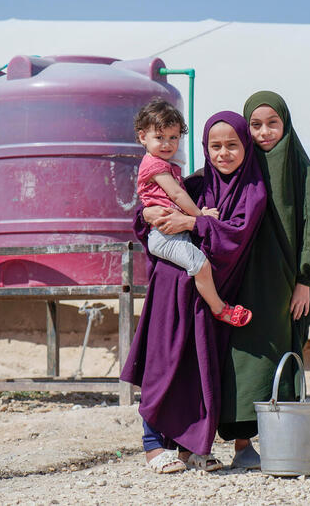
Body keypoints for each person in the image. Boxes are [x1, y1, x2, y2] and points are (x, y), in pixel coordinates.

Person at [121, 111, 267, 474]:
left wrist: (195, 222)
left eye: (232, 145)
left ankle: (189, 447)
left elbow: (235, 235)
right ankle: (154, 446)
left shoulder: (253, 191)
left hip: (205, 295)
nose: (223, 154)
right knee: (164, 361)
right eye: (215, 146)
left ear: (246, 147)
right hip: (171, 288)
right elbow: (149, 213)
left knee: (196, 369)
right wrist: (151, 214)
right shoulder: (198, 184)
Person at [217, 90, 310, 470]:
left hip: (281, 286)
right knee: (237, 357)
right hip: (239, 279)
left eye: (272, 123)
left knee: (274, 355)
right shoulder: (240, 164)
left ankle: (277, 440)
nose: (265, 132)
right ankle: (241, 443)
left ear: (286, 124)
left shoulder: (301, 169)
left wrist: (304, 281)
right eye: (256, 125)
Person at [133, 98, 252, 327]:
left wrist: (191, 218)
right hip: (166, 240)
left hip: (171, 241)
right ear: (142, 137)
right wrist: (200, 216)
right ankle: (220, 308)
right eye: (159, 138)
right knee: (200, 265)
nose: (167, 144)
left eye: (173, 137)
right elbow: (176, 196)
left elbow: (172, 192)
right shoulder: (158, 167)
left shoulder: (166, 167)